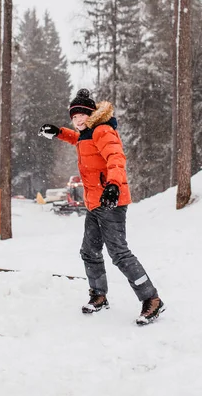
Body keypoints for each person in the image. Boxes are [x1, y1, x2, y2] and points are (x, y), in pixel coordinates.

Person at [38, 88, 164, 326]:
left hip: (110, 201)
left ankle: (151, 299)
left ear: (91, 115)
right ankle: (98, 295)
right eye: (73, 118)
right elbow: (77, 139)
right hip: (95, 203)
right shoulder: (86, 134)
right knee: (89, 250)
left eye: (81, 116)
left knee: (119, 253)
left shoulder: (103, 130)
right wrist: (58, 132)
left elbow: (116, 157)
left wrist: (114, 185)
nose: (77, 121)